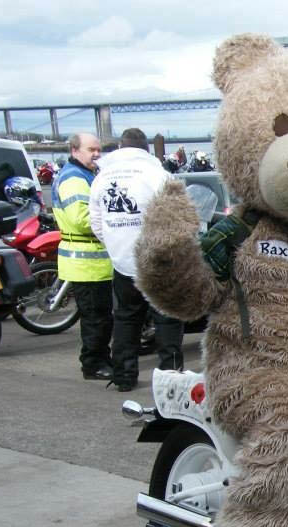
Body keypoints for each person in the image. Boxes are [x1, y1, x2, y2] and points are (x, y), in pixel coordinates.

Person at [89, 128, 184, 392]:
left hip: (122, 261)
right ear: (147, 149)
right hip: (157, 259)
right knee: (167, 318)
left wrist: (115, 244)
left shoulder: (102, 177)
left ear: (121, 147)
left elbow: (96, 221)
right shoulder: (158, 175)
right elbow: (177, 217)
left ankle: (123, 376)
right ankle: (170, 381)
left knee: (126, 319)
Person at [52, 132, 113, 381]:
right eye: (91, 149)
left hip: (93, 262)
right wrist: (112, 220)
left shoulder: (87, 174)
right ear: (75, 150)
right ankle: (93, 364)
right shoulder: (74, 179)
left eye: (98, 149)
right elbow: (81, 219)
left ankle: (101, 358)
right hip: (84, 261)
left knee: (100, 316)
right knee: (95, 318)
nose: (97, 154)